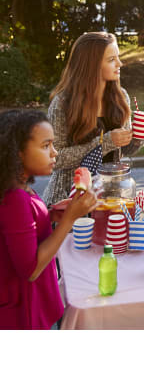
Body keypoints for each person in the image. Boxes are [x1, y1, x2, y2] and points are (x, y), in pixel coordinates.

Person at [0, 110, 97, 330]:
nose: (54, 153)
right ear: (17, 154)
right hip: (23, 315)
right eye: (46, 146)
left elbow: (26, 230)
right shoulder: (14, 198)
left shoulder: (20, 188)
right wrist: (69, 220)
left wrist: (52, 215)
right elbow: (31, 269)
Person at [43, 32, 144, 207]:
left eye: (118, 57)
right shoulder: (63, 103)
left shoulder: (120, 97)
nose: (120, 64)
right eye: (111, 60)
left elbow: (124, 151)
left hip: (109, 200)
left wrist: (138, 137)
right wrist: (105, 142)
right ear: (91, 66)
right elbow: (56, 159)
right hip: (68, 202)